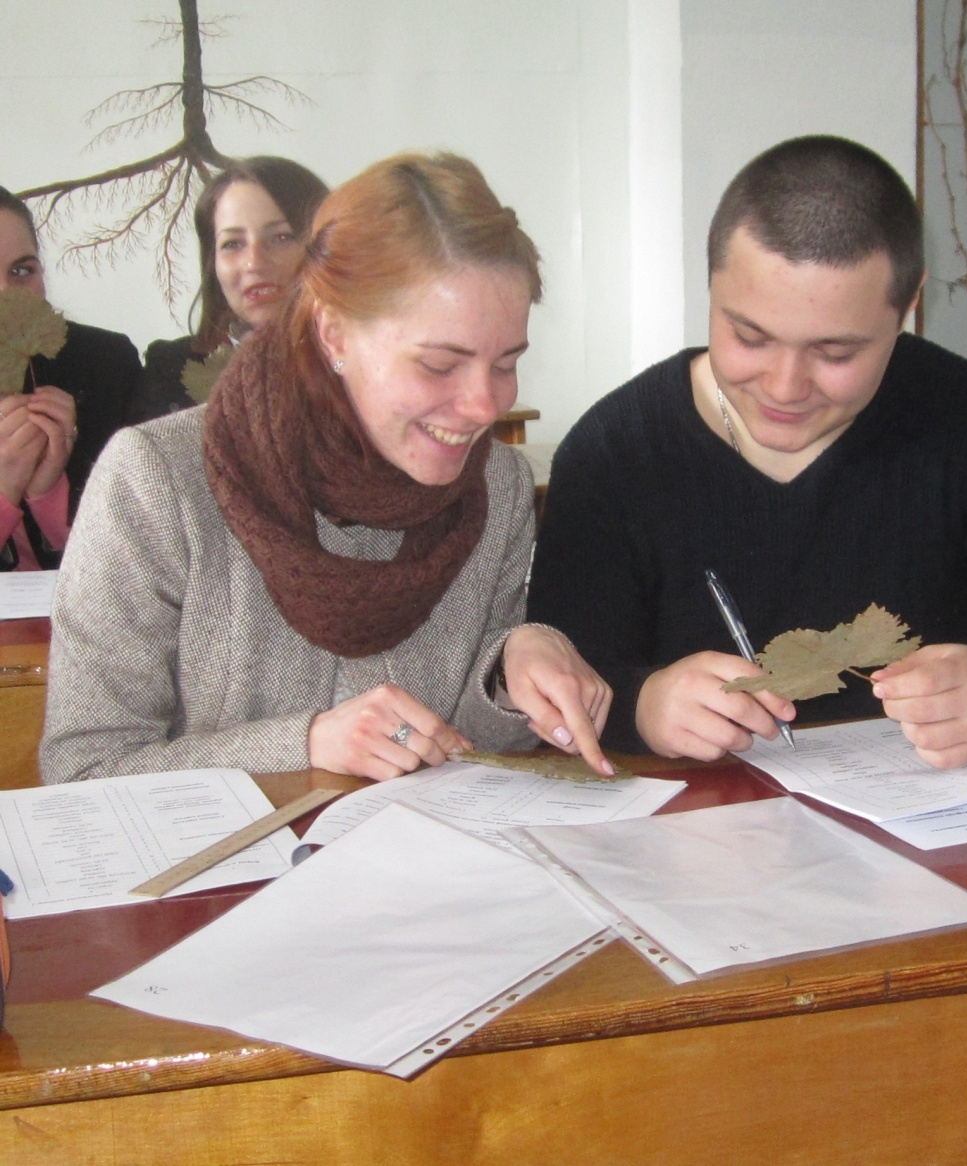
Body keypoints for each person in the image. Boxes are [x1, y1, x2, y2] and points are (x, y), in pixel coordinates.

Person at [528, 135, 967, 769]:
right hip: (692, 816)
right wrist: (643, 704)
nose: (785, 387)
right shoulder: (616, 451)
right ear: (711, 288)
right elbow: (562, 677)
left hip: (920, 816)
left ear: (907, 308)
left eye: (835, 353)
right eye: (750, 337)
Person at [41, 152, 612, 783]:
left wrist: (511, 671)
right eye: (440, 365)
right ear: (335, 335)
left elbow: (471, 746)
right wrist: (305, 743)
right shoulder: (156, 480)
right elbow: (82, 769)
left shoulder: (495, 486)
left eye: (506, 363)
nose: (485, 405)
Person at [0, 186, 141, 569]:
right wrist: (5, 490)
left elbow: (140, 561)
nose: (7, 295)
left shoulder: (104, 363)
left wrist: (50, 494)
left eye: (21, 271)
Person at [127, 157, 329, 422]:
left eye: (282, 237)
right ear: (213, 263)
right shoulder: (168, 373)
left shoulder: (366, 362)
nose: (254, 263)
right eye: (233, 244)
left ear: (323, 248)